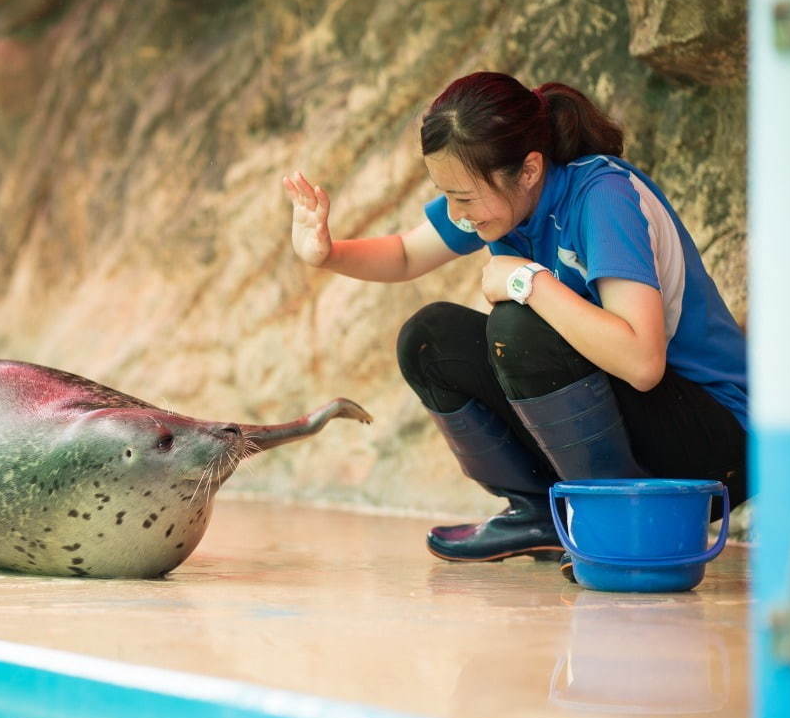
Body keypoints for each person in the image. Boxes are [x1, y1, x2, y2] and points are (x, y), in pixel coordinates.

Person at [282, 71, 748, 581]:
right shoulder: (506, 206)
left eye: (464, 197)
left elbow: (642, 363)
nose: (458, 214)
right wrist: (326, 253)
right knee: (429, 337)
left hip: (716, 444)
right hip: (643, 425)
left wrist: (529, 281)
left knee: (519, 329)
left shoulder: (603, 196)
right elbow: (404, 254)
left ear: (528, 171)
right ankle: (539, 515)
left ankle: (613, 525)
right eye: (447, 195)